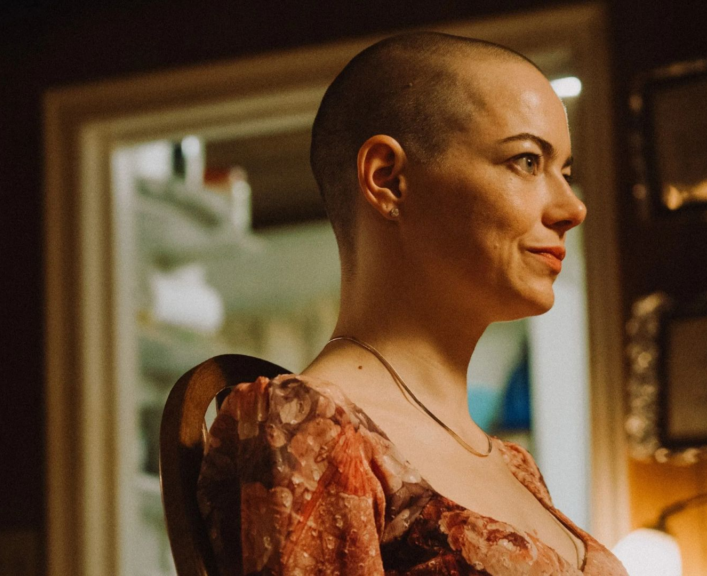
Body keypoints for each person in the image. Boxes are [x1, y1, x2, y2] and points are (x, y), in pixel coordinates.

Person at [197, 32, 629, 575]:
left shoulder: (514, 465)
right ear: (389, 179)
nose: (572, 208)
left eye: (564, 172)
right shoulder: (310, 425)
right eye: (526, 161)